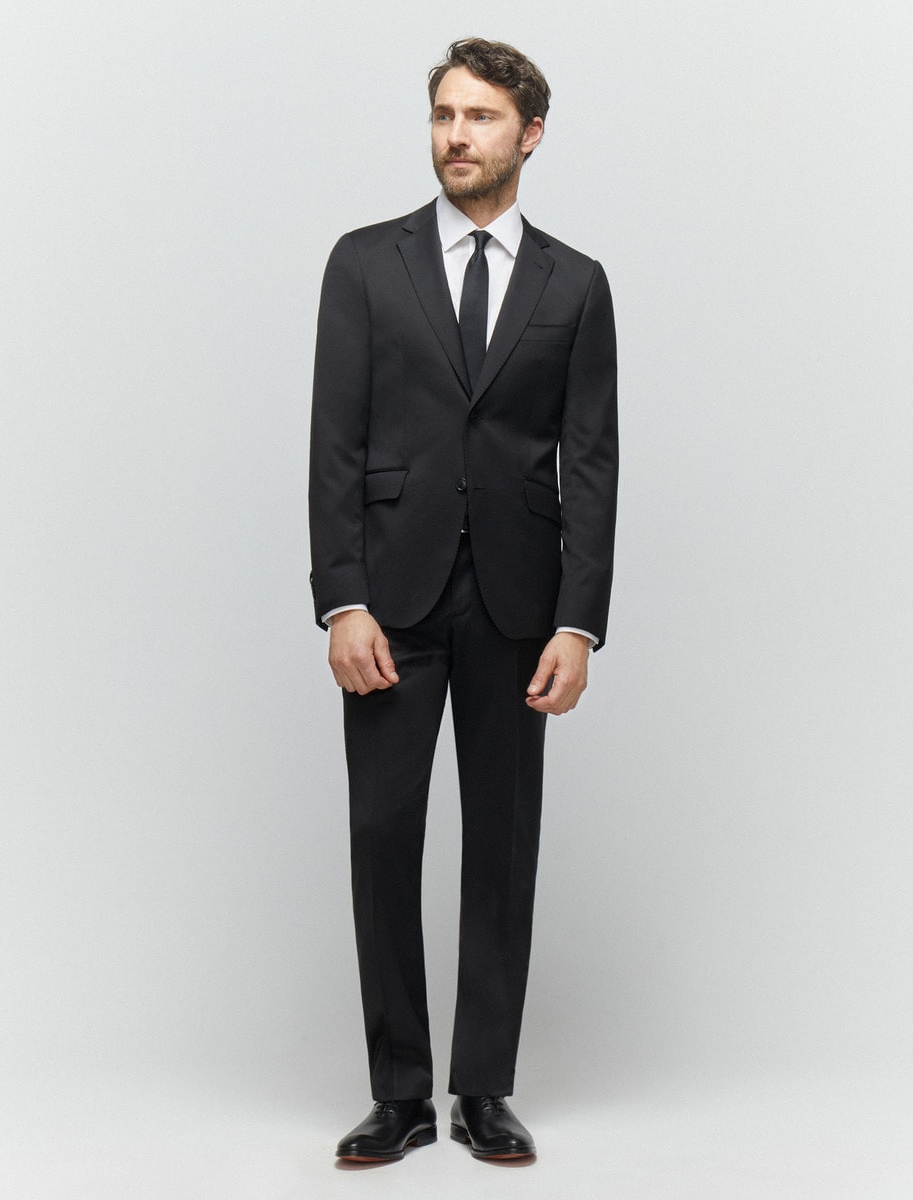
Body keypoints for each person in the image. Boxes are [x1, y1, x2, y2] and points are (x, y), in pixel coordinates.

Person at [308, 37, 618, 1163]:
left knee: (501, 845)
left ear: (528, 135)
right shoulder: (363, 264)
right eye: (444, 114)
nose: (456, 135)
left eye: (480, 117)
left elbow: (590, 461)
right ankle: (398, 1095)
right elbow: (334, 444)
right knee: (382, 839)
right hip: (390, 602)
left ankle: (483, 1088)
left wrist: (577, 622)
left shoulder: (574, 284)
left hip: (518, 609)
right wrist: (341, 600)